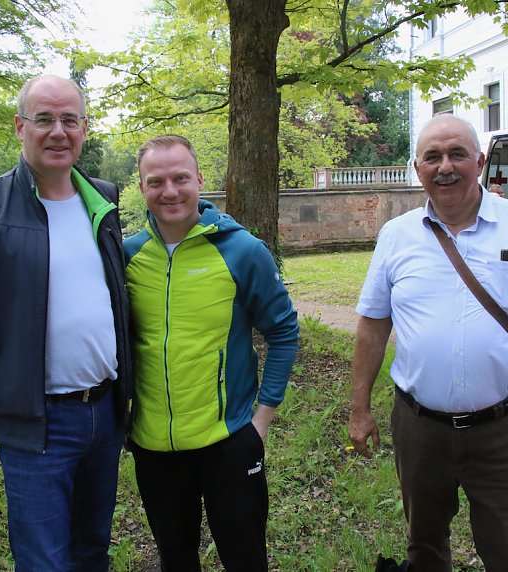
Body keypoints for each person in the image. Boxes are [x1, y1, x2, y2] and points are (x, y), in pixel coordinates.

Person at [349, 115, 508, 571]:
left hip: (505, 431)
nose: (445, 167)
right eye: (432, 157)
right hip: (419, 429)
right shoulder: (397, 236)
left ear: (479, 161)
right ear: (418, 169)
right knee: (425, 548)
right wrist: (359, 408)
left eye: (456, 155)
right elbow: (373, 325)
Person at [0, 75, 133, 571]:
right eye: (44, 119)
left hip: (104, 416)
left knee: (91, 554)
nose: (58, 131)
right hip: (36, 428)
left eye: (69, 120)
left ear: (84, 128)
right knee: (44, 563)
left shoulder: (102, 202)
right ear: (20, 127)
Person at [123, 134, 299, 571]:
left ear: (200, 180)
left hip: (229, 441)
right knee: (176, 561)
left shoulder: (243, 251)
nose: (170, 191)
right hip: (153, 447)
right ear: (142, 187)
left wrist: (261, 421)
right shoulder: (125, 256)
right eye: (156, 181)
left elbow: (283, 332)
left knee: (245, 561)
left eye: (181, 178)